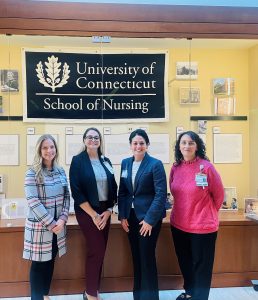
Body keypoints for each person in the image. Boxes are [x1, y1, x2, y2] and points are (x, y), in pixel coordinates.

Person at [169, 131, 224, 300]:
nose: (187, 146)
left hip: (202, 227)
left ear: (197, 145)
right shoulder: (175, 167)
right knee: (185, 263)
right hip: (179, 224)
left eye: (191, 142)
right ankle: (190, 293)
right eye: (183, 142)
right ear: (179, 146)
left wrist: (206, 213)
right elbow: (174, 191)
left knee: (202, 267)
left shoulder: (207, 167)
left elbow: (219, 194)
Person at [118, 129, 167, 300]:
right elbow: (123, 192)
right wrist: (122, 216)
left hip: (148, 219)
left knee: (147, 258)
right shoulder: (125, 163)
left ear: (147, 145)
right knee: (137, 258)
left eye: (141, 143)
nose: (138, 146)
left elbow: (161, 194)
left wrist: (149, 220)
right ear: (130, 145)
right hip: (131, 218)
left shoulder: (155, 164)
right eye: (135, 143)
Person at [69, 127, 117, 300]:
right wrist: (94, 215)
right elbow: (76, 191)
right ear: (84, 140)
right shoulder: (78, 161)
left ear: (100, 141)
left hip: (105, 210)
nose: (93, 140)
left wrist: (109, 210)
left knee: (101, 250)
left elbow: (113, 187)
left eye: (96, 137)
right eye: (89, 137)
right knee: (96, 250)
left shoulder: (106, 161)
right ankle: (90, 293)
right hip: (86, 210)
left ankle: (93, 289)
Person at [23, 134, 70, 300]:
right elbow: (33, 202)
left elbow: (67, 197)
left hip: (58, 227)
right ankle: (37, 297)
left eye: (52, 147)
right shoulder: (32, 173)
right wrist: (52, 224)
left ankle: (44, 294)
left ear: (56, 149)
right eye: (45, 147)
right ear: (39, 150)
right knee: (38, 264)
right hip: (41, 229)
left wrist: (63, 219)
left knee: (50, 261)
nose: (49, 150)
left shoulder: (61, 171)